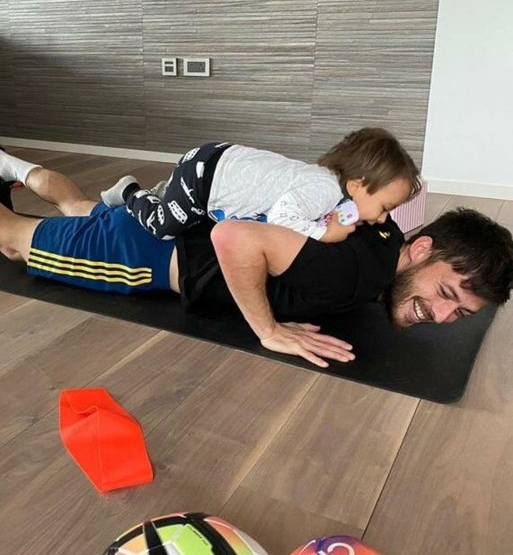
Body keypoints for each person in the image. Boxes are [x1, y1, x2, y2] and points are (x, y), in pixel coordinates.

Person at [1, 151, 512, 369]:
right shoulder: (350, 272)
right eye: (446, 294)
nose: (441, 316)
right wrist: (268, 330)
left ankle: (12, 166)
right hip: (140, 255)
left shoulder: (383, 231)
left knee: (79, 207)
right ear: (421, 248)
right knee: (12, 240)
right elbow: (236, 238)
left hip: (162, 229)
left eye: (460, 313)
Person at [100, 128, 422, 243]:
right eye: (385, 208)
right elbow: (282, 217)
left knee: (191, 220)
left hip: (220, 162)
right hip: (202, 178)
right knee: (164, 228)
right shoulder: (324, 191)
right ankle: (131, 192)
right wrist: (325, 234)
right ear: (356, 184)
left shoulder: (331, 186)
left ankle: (167, 192)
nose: (383, 218)